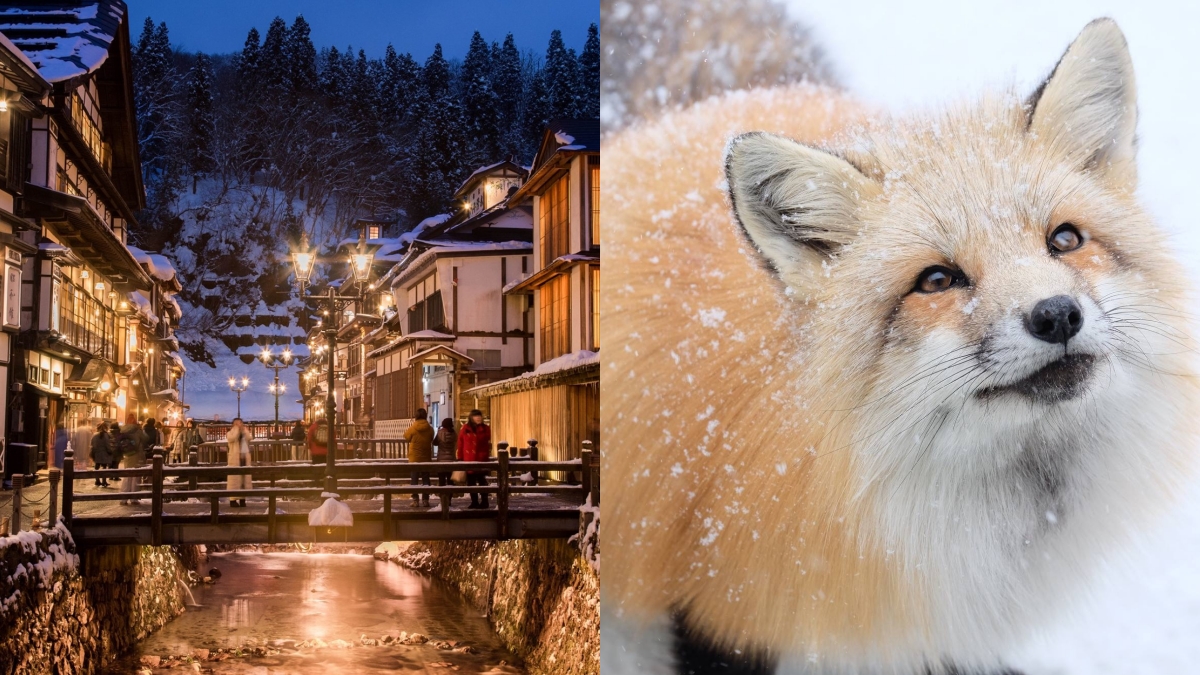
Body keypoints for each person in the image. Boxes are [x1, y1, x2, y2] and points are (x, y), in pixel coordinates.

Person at [457, 409, 492, 509]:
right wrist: (460, 458)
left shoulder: (485, 429)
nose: (478, 418)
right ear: (471, 418)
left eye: (480, 416)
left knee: (482, 481)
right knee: (471, 482)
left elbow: (486, 440)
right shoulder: (465, 428)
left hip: (481, 459)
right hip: (469, 459)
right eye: (476, 416)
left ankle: (485, 501)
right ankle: (474, 501)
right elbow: (460, 444)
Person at [403, 409, 434, 507]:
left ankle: (415, 500)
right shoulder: (429, 428)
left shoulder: (413, 427)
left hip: (414, 458)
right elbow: (431, 438)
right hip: (426, 457)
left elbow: (406, 437)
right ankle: (425, 499)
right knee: (426, 479)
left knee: (414, 479)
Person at [115, 414, 148, 506]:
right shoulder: (137, 430)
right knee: (136, 477)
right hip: (137, 455)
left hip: (128, 455)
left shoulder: (123, 429)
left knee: (127, 476)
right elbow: (145, 439)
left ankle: (123, 498)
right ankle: (134, 498)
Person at [226, 417, 252, 507]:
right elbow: (232, 438)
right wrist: (236, 429)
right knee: (234, 481)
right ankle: (232, 500)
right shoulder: (230, 433)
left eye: (240, 423)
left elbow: (250, 437)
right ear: (233, 425)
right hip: (234, 460)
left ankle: (242, 499)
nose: (239, 425)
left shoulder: (244, 433)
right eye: (236, 423)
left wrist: (244, 431)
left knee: (243, 480)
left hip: (244, 459)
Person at [434, 417, 458, 504]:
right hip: (451, 460)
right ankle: (449, 500)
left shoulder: (440, 433)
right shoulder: (454, 433)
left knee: (442, 481)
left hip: (441, 461)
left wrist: (438, 431)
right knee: (450, 481)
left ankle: (443, 500)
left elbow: (434, 442)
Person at [90, 422, 113, 487]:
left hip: (97, 453)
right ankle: (104, 481)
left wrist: (93, 453)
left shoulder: (94, 435)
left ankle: (97, 480)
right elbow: (107, 445)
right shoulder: (106, 435)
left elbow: (92, 444)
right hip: (104, 453)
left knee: (97, 466)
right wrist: (110, 451)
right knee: (104, 467)